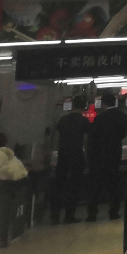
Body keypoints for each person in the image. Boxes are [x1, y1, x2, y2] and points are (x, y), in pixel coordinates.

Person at [86, 92, 127, 222]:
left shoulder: (99, 118)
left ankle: (92, 214)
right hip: (114, 155)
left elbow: (93, 138)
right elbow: (123, 134)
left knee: (95, 187)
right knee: (114, 186)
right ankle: (114, 212)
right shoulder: (123, 116)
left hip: (99, 157)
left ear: (103, 103)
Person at [52, 95, 90, 224]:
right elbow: (86, 140)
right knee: (74, 185)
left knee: (59, 185)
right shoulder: (84, 121)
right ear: (84, 106)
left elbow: (56, 138)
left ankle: (55, 216)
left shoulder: (63, 119)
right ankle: (69, 215)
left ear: (73, 104)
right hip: (77, 154)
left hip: (63, 154)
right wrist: (87, 155)